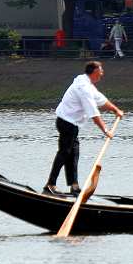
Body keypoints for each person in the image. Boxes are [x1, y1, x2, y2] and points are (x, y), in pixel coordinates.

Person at [44, 61, 124, 196]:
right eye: (100, 71)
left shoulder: (87, 84)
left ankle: (74, 186)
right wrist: (105, 130)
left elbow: (101, 100)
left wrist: (115, 110)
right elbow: (93, 113)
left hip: (72, 125)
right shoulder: (84, 88)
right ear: (94, 72)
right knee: (64, 153)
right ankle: (50, 184)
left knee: (73, 154)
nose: (102, 74)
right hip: (66, 123)